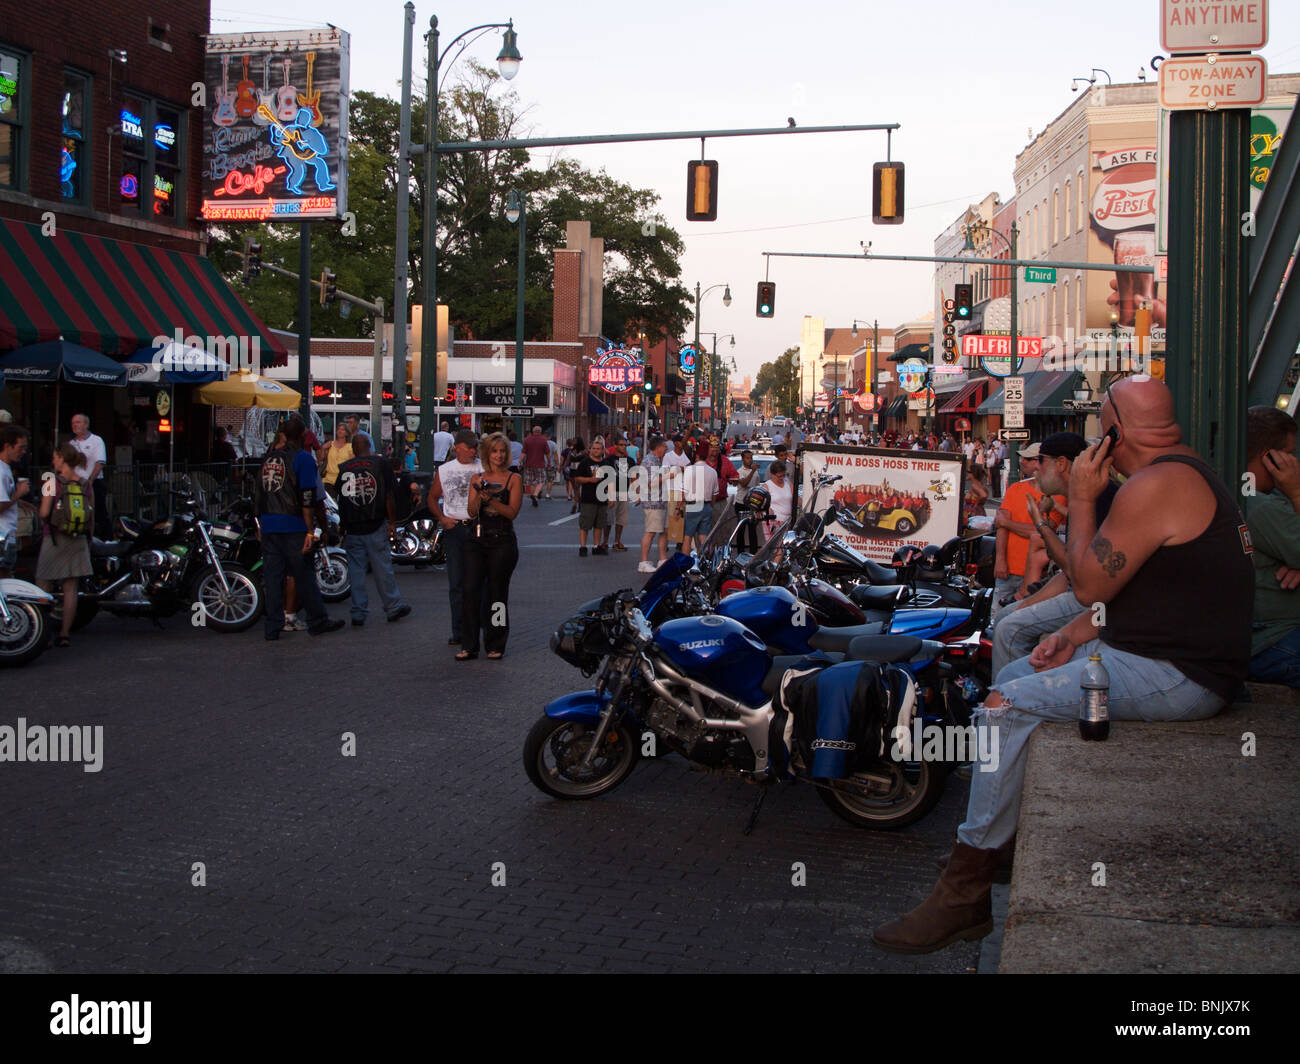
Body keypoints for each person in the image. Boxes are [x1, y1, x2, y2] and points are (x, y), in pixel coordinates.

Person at [874, 377, 1254, 954]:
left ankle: (964, 888)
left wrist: (1080, 496)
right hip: (1162, 655)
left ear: (1115, 432)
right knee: (1010, 676)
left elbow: (1087, 582)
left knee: (1004, 706)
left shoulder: (1154, 486)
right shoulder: (1187, 472)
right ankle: (997, 847)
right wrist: (1074, 635)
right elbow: (1148, 594)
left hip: (1180, 676)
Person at [256, 417, 344, 640]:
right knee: (303, 574)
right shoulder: (302, 458)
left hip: (269, 522)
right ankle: (318, 620)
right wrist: (309, 529)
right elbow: (308, 497)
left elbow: (259, 491)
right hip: (293, 524)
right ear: (303, 435)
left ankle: (272, 625)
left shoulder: (269, 459)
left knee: (273, 576)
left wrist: (260, 522)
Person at [1242, 406, 1300, 686]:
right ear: (1271, 458)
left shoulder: (1244, 492)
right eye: (1290, 453)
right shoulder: (1259, 506)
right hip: (1273, 641)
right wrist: (1297, 493)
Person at [459, 432, 522, 661]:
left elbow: (512, 512)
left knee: (497, 594)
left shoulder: (514, 479)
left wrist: (493, 500)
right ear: (487, 453)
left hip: (502, 541)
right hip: (476, 540)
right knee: (470, 591)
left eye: (502, 451)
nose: (499, 455)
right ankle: (469, 644)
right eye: (494, 451)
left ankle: (495, 643)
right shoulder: (477, 478)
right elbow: (471, 511)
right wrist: (479, 496)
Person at [337, 432, 410, 627]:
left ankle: (358, 611)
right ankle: (392, 606)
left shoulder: (344, 469)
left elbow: (342, 500)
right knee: (383, 568)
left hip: (353, 526)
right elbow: (389, 496)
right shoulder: (381, 464)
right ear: (369, 445)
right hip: (375, 523)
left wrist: (343, 525)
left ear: (353, 449)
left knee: (356, 571)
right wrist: (392, 522)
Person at [990, 442, 1060, 622]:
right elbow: (1002, 525)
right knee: (998, 619)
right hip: (1009, 568)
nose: (1022, 461)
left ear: (1041, 463)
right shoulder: (1016, 489)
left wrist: (1008, 523)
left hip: (1038, 575)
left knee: (1024, 621)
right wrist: (1000, 560)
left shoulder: (1057, 495)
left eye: (1028, 459)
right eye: (1022, 458)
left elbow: (1045, 532)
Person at [426, 429, 482, 645]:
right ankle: (458, 630)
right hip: (455, 528)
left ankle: (478, 627)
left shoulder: (482, 467)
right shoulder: (445, 469)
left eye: (474, 447)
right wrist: (442, 517)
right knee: (456, 582)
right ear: (457, 447)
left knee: (478, 581)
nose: (472, 451)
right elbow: (432, 497)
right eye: (468, 448)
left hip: (476, 526)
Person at [36, 443, 95, 647]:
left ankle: (42, 631)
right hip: (78, 539)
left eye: (55, 457)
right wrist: (89, 538)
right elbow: (91, 514)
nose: (53, 461)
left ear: (62, 459)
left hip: (54, 538)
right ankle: (64, 634)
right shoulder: (86, 483)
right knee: (71, 588)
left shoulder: (51, 481)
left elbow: (44, 513)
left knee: (43, 583)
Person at [69, 413, 109, 539]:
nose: (75, 425)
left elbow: (100, 462)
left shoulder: (96, 440)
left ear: (86, 424)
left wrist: (90, 481)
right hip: (75, 484)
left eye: (78, 422)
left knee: (99, 513)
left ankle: (105, 540)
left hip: (94, 482)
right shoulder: (71, 444)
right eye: (73, 423)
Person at [0, 424, 30, 577]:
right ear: (7, 446)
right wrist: (18, 494)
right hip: (2, 537)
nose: (23, 452)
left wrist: (21, 501)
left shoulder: (6, 469)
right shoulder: (1, 471)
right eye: (20, 447)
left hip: (6, 536)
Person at [573, 436, 611, 556]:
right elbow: (577, 478)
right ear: (590, 449)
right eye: (593, 448)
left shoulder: (606, 463)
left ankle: (596, 546)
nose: (596, 450)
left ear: (602, 450)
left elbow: (610, 481)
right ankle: (583, 547)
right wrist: (590, 479)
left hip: (602, 498)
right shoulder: (585, 463)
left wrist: (611, 496)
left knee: (599, 524)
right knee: (585, 524)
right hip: (588, 498)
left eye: (598, 448)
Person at [638, 436, 669, 574]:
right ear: (658, 447)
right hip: (653, 502)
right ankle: (644, 562)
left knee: (663, 531)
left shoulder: (655, 460)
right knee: (650, 532)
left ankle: (662, 559)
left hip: (659, 501)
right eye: (664, 446)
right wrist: (669, 476)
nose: (666, 449)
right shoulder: (651, 461)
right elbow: (651, 483)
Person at [679, 443, 717, 554]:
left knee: (687, 538)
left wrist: (679, 507)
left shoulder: (689, 470)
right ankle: (707, 563)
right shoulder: (713, 472)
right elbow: (714, 494)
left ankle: (685, 564)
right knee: (704, 537)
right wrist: (710, 506)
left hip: (692, 505)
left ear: (696, 456)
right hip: (707, 505)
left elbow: (684, 492)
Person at [604, 437, 634, 551]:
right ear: (615, 446)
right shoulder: (609, 460)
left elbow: (632, 476)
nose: (623, 447)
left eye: (625, 445)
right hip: (612, 490)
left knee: (621, 518)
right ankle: (605, 541)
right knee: (608, 518)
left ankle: (617, 541)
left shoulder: (630, 460)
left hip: (624, 490)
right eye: (621, 445)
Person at [318, 424, 353, 500]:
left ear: (347, 433)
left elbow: (352, 464)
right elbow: (320, 460)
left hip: (344, 480)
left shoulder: (350, 446)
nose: (340, 431)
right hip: (329, 480)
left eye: (343, 429)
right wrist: (323, 448)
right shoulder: (330, 444)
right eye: (338, 429)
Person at [521, 425, 550, 508]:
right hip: (540, 464)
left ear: (533, 431)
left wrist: (519, 462)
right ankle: (535, 495)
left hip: (529, 464)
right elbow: (547, 453)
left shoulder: (527, 440)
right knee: (541, 481)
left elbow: (523, 452)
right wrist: (549, 462)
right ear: (540, 432)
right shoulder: (544, 440)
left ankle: (535, 498)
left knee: (532, 482)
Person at [764, 460, 793, 538]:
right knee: (776, 548)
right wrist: (769, 512)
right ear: (772, 475)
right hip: (774, 521)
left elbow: (796, 498)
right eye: (779, 476)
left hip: (787, 521)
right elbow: (764, 505)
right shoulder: (767, 486)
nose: (782, 478)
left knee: (785, 547)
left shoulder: (788, 482)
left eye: (784, 475)